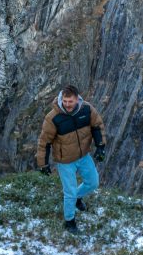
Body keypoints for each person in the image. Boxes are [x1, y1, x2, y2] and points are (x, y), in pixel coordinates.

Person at [35, 84, 107, 234]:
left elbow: (97, 126)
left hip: (83, 156)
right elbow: (44, 142)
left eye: (70, 101)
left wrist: (100, 146)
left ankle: (77, 198)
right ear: (61, 99)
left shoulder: (87, 109)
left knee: (93, 183)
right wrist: (43, 163)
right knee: (70, 192)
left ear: (77, 99)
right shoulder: (53, 117)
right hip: (65, 161)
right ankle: (69, 221)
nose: (67, 104)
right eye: (65, 101)